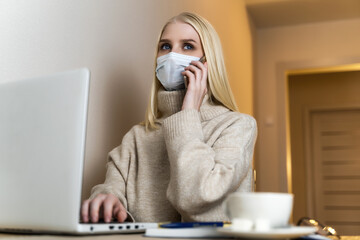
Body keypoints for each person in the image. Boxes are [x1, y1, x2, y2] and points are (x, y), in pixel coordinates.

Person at [81, 12, 257, 223]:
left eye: (188, 46)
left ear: (208, 63)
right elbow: (111, 190)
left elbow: (197, 198)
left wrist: (188, 111)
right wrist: (106, 201)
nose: (172, 55)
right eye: (165, 46)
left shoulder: (238, 126)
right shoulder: (136, 138)